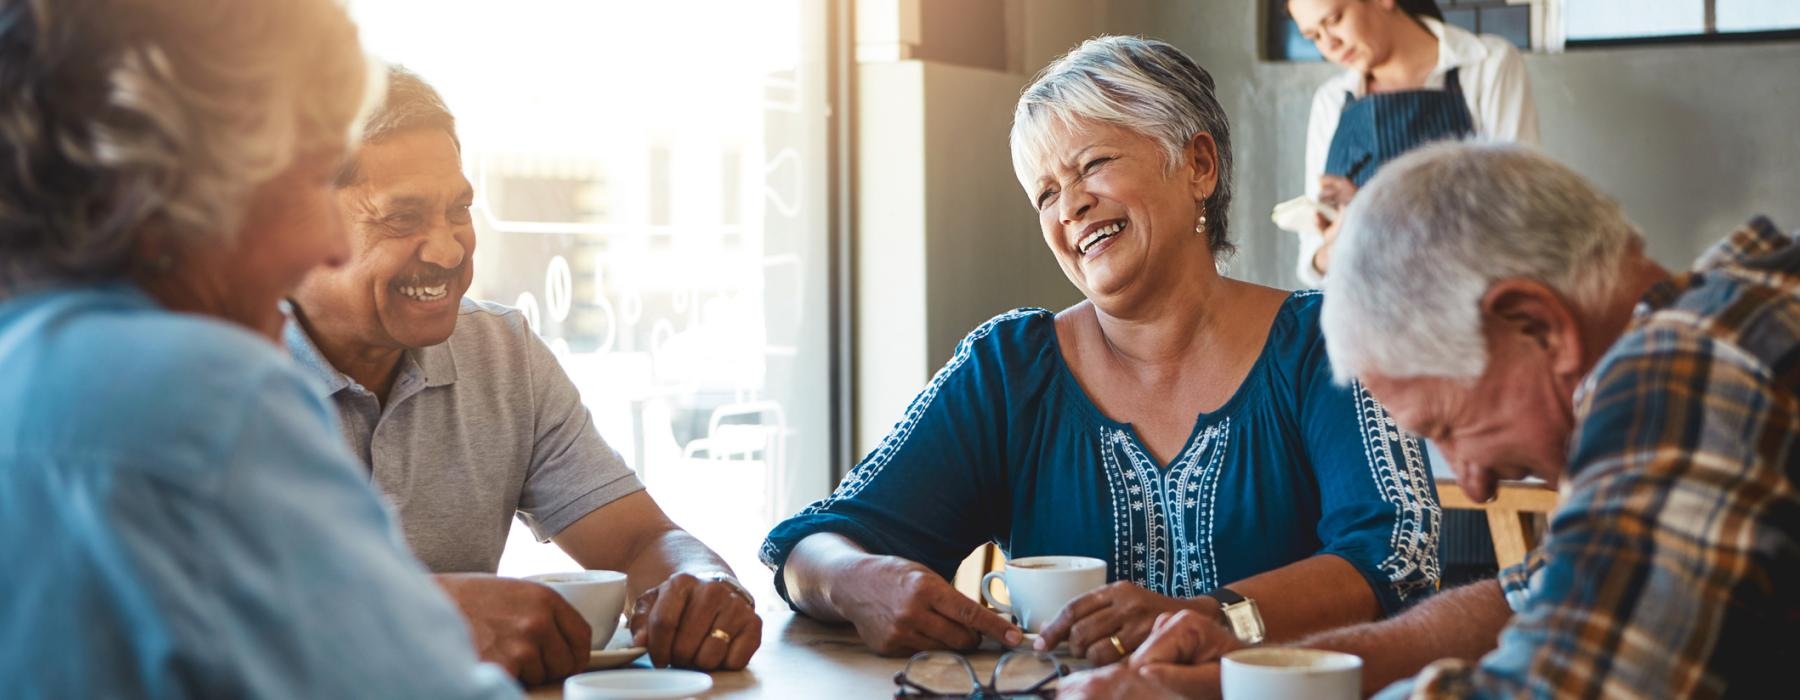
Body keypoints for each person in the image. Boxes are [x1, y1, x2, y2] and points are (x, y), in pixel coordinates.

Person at [761, 36, 1440, 666]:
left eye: (1094, 165)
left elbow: (1397, 559)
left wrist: (1212, 618)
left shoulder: (1328, 340)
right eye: (1046, 193)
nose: (1070, 208)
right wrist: (857, 581)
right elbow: (809, 542)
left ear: (1199, 165)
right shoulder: (1008, 369)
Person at [1057, 142, 1799, 699]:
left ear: (1537, 326)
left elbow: (1551, 685)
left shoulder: (1698, 365)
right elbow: (1529, 596)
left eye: (1449, 428)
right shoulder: (1719, 320)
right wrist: (1241, 678)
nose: (1472, 484)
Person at [0, 0, 519, 697]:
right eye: (309, 182)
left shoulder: (24, 357)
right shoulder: (207, 394)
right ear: (178, 187)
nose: (331, 245)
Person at [285, 66, 760, 683]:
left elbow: (638, 543)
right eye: (402, 219)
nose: (451, 250)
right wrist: (432, 615)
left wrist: (700, 581)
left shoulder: (503, 353)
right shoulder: (209, 374)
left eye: (459, 209)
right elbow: (190, 612)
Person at [1288, 0, 1537, 285]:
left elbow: (1516, 212)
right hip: (1362, 311)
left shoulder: (1487, 66)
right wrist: (1336, 245)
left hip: (1465, 305)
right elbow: (1313, 261)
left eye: (1334, 20)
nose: (1329, 44)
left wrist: (1374, 214)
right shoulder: (1331, 100)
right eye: (1314, 36)